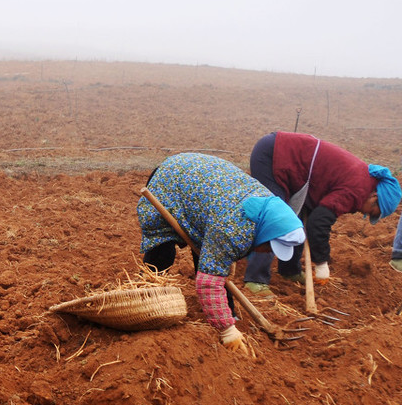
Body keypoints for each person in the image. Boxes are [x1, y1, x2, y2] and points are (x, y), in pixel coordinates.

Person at [139, 153, 305, 356]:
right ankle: (143, 295)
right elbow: (209, 281)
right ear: (266, 233)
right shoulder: (232, 229)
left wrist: (229, 315)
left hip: (205, 192)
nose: (269, 253)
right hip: (172, 182)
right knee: (162, 254)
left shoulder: (268, 209)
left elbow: (216, 263)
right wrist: (227, 330)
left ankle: (229, 312)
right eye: (270, 247)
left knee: (211, 256)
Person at [241, 131, 400, 295]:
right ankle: (255, 280)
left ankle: (289, 271)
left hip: (291, 166)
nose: (365, 214)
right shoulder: (357, 190)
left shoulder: (362, 183)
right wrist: (321, 263)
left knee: (296, 220)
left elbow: (311, 217)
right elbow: (317, 223)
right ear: (374, 196)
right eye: (373, 211)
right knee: (274, 218)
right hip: (273, 156)